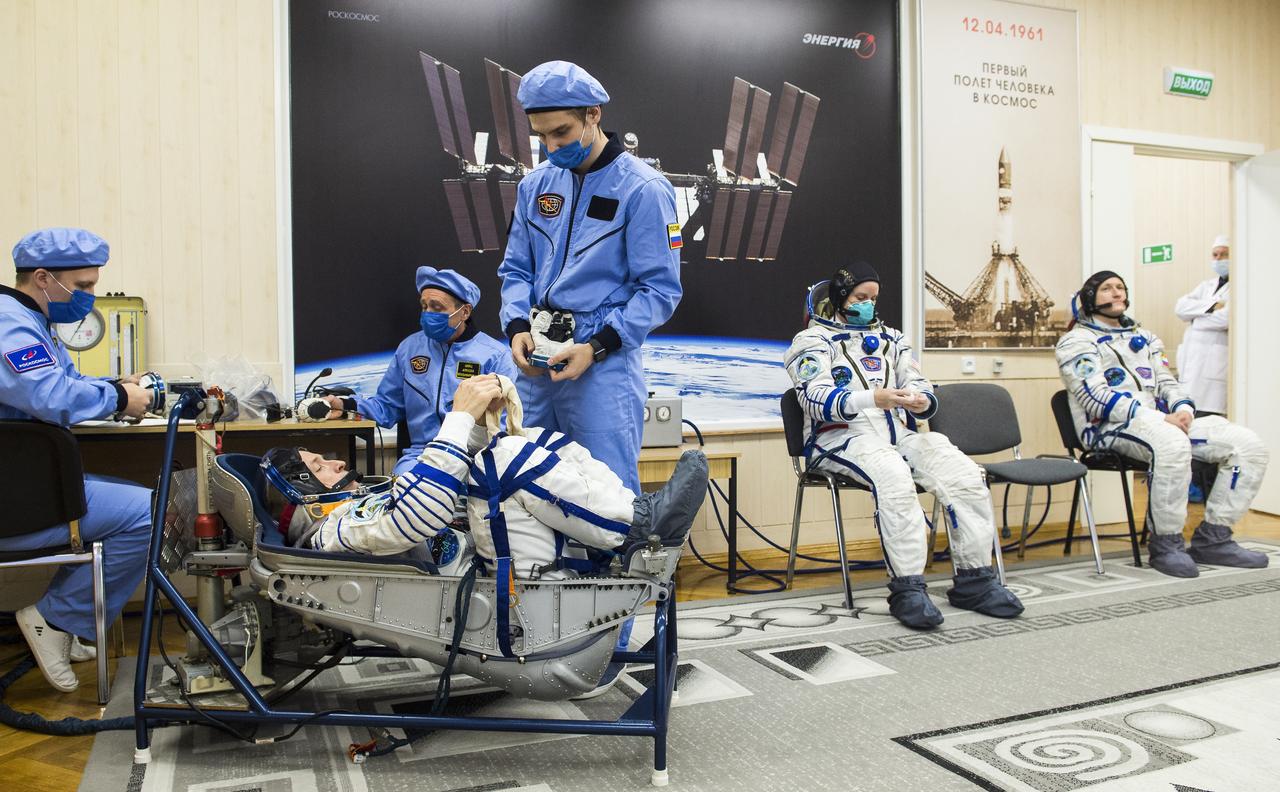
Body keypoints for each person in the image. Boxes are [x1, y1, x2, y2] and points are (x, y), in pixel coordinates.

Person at [268, 374, 708, 581]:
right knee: (503, 461)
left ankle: (631, 524)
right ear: (302, 495)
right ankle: (639, 528)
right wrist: (459, 418)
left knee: (533, 439)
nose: (338, 464)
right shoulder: (331, 532)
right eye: (318, 466)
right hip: (490, 582)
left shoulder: (355, 507)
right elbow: (418, 517)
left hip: (494, 557)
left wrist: (480, 424)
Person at [784, 264, 1023, 630]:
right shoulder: (812, 342)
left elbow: (922, 384)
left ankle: (975, 580)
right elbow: (813, 398)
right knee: (893, 476)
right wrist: (872, 398)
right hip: (839, 438)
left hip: (898, 436)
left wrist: (920, 401)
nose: (868, 304)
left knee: (964, 474)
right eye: (860, 297)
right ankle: (908, 589)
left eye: (873, 298)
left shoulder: (892, 340)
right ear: (839, 297)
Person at [497, 60, 683, 495]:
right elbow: (516, 269)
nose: (550, 146)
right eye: (540, 136)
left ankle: (612, 565)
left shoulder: (644, 190)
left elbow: (659, 290)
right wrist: (517, 327)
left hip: (600, 362)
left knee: (606, 493)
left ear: (593, 114)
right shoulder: (536, 185)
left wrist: (597, 346)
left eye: (560, 132)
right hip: (536, 359)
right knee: (527, 483)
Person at [0, 227, 153, 692]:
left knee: (123, 500)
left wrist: (115, 385)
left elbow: (62, 381)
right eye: (83, 286)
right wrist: (118, 398)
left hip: (25, 485)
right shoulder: (8, 323)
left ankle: (72, 621)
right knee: (155, 512)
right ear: (43, 278)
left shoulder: (31, 320)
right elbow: (49, 396)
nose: (90, 296)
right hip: (16, 500)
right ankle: (56, 620)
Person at [1055, 270, 1268, 577]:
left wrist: (1182, 410)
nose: (1116, 293)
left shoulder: (1145, 339)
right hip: (1106, 429)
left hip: (1160, 421)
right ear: (1088, 298)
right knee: (1171, 442)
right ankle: (1166, 544)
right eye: (1106, 289)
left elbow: (1168, 382)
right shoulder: (1076, 342)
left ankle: (1214, 539)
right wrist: (1159, 418)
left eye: (1120, 287)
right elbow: (1094, 397)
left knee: (1247, 445)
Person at [322, 266, 515, 476]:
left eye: (437, 307)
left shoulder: (495, 355)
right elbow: (388, 406)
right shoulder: (410, 348)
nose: (428, 313)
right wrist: (345, 405)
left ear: (465, 312)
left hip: (477, 455)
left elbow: (502, 424)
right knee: (406, 489)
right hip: (422, 454)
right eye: (424, 306)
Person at [1174, 235, 1230, 416]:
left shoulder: (1239, 286)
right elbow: (1180, 308)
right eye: (1215, 255)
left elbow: (1226, 319)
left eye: (1224, 254)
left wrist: (1194, 318)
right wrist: (1212, 306)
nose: (1218, 259)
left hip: (1213, 376)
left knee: (1209, 421)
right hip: (1190, 369)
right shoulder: (1206, 286)